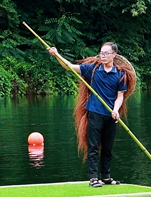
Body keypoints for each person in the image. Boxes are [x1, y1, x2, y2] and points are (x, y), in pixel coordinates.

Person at [48, 42, 134, 187]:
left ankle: (106, 177)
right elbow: (69, 66)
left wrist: (115, 110)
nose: (103, 56)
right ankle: (93, 178)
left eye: (106, 53)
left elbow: (120, 96)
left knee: (107, 148)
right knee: (93, 147)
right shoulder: (92, 69)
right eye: (101, 53)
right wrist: (57, 55)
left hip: (111, 115)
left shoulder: (121, 75)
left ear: (114, 55)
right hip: (95, 113)